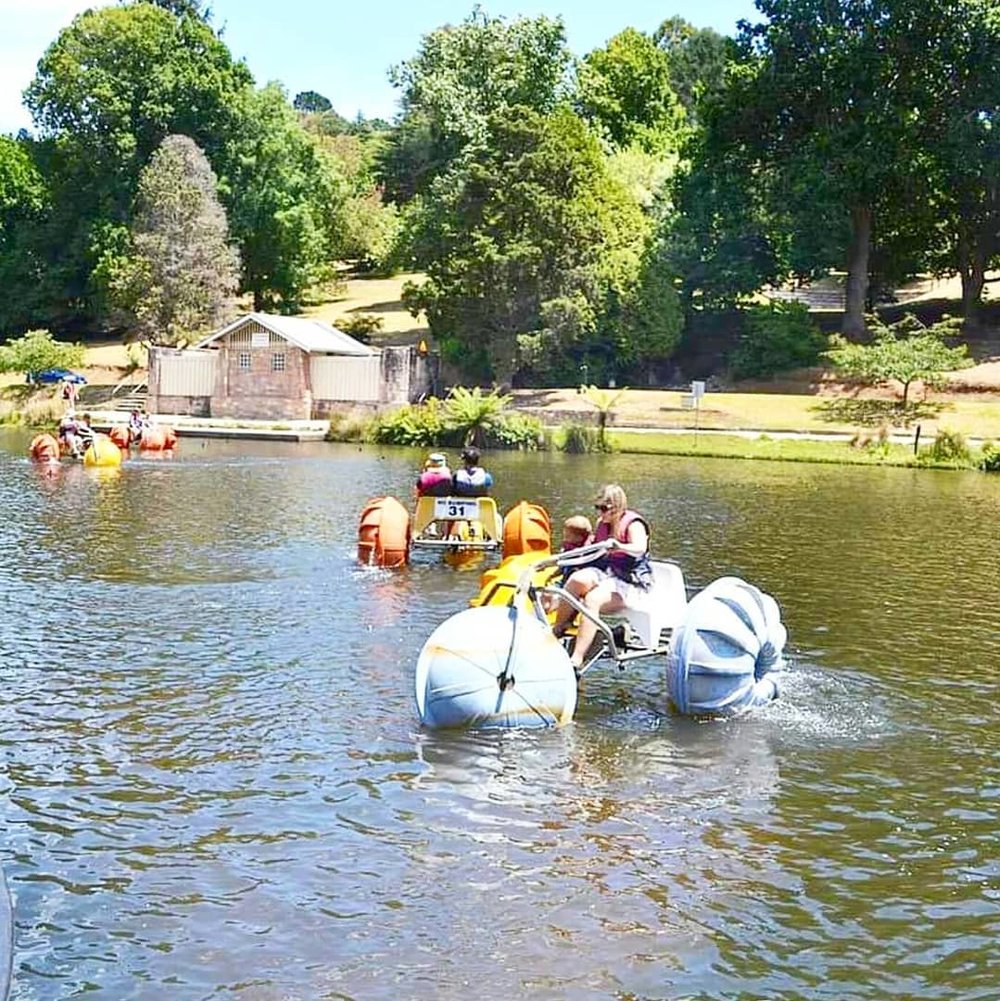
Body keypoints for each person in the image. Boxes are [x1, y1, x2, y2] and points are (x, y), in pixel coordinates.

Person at [551, 484, 653, 674]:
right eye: (597, 507)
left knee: (593, 599)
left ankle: (577, 658)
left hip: (630, 581)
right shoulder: (602, 524)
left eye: (604, 508)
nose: (600, 512)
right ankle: (558, 629)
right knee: (576, 580)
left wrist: (621, 546)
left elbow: (640, 547)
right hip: (609, 573)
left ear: (618, 506)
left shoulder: (633, 524)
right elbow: (593, 552)